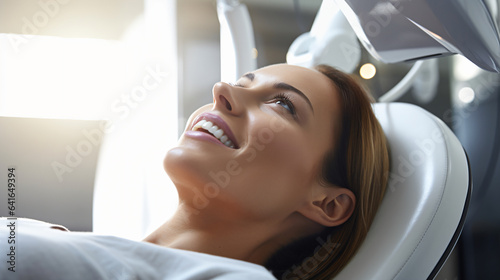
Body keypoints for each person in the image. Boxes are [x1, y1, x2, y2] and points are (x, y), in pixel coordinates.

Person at [0, 63, 388, 280]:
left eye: (282, 105)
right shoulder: (62, 237)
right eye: (240, 83)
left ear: (328, 203)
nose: (222, 90)